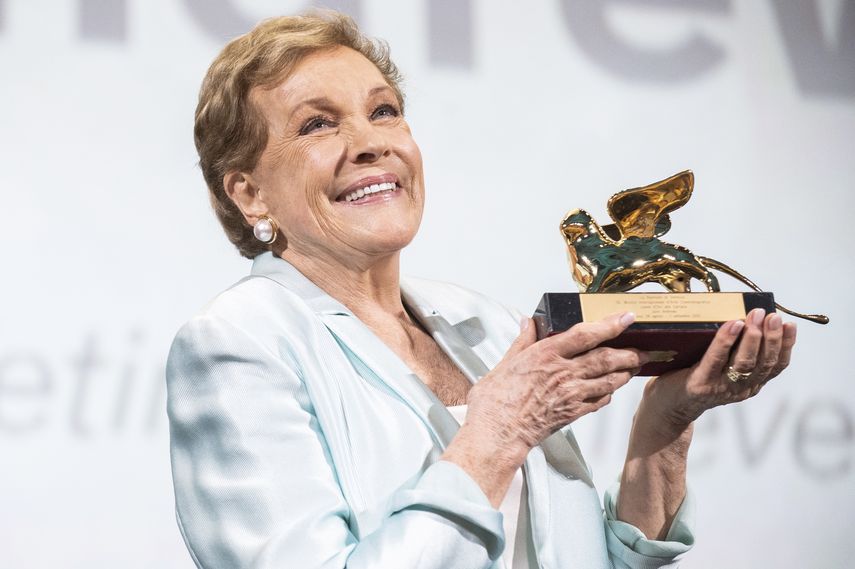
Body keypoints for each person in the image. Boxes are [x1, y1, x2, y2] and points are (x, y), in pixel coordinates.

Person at [166, 11, 797, 569]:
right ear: (249, 193)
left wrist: (667, 423)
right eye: (317, 125)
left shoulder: (487, 322)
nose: (372, 143)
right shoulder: (238, 344)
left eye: (383, 111)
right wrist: (498, 435)